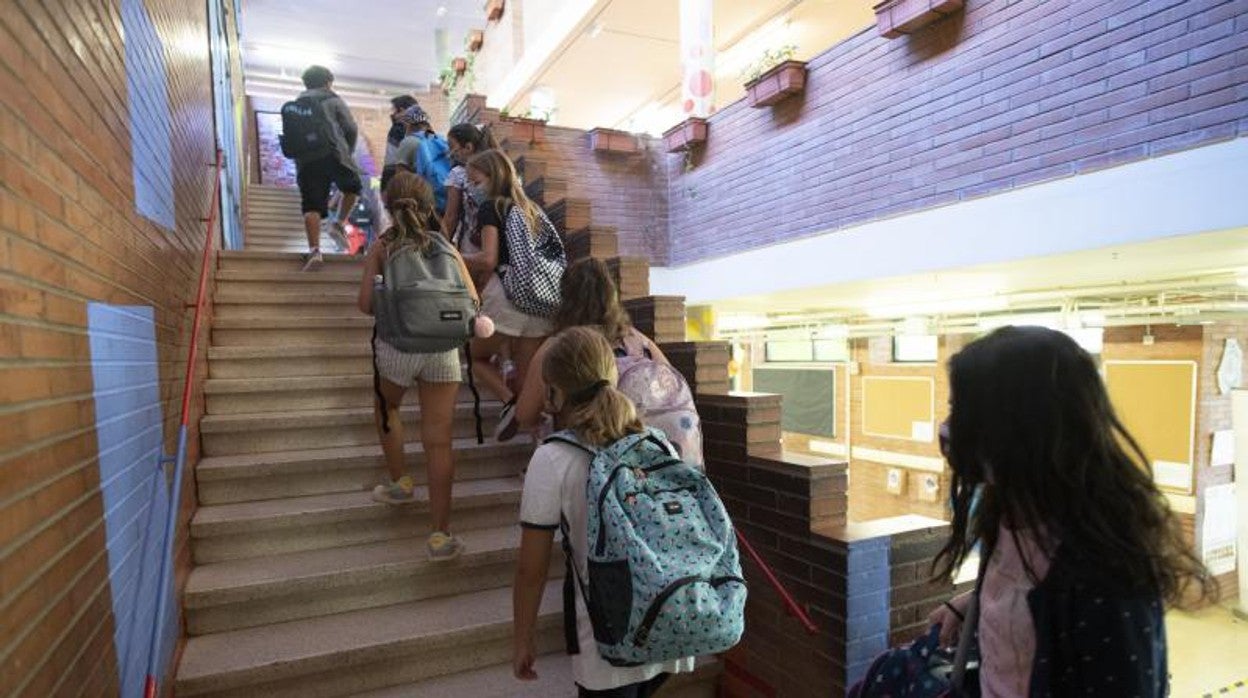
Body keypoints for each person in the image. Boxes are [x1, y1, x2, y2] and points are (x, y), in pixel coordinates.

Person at [925, 326, 1214, 697]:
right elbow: (1025, 591)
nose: (949, 427)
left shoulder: (1103, 572)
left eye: (963, 411)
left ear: (1019, 428)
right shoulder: (1007, 510)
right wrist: (976, 603)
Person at [512, 327, 695, 696]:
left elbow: (531, 570)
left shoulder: (552, 458)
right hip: (667, 617)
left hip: (605, 639)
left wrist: (523, 638)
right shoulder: (658, 443)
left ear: (555, 393)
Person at [358, 171, 479, 562]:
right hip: (443, 349)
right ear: (430, 206)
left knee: (386, 407)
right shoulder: (446, 245)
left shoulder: (384, 246)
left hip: (397, 348)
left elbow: (364, 304)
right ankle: (440, 535)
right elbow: (472, 301)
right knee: (439, 441)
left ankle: (400, 482)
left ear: (390, 208)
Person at [495, 258, 669, 443]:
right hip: (644, 449)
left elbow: (525, 415)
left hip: (585, 457)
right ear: (612, 296)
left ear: (564, 298)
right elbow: (672, 385)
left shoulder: (557, 347)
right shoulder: (640, 342)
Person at [462, 148, 561, 429]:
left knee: (474, 356)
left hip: (508, 299)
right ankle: (535, 452)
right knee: (528, 383)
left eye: (476, 181)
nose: (472, 188)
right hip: (543, 302)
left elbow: (488, 259)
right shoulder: (532, 209)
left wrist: (454, 257)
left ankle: (509, 401)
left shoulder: (490, 207)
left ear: (494, 177)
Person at [292, 65, 361, 271]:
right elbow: (350, 127)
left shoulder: (297, 103)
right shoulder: (332, 99)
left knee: (312, 206)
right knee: (353, 186)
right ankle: (338, 222)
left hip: (306, 161)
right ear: (328, 82)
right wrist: (347, 150)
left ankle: (314, 250)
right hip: (333, 153)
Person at [442, 122, 500, 290]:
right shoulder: (495, 165)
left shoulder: (458, 173)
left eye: (452, 147)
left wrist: (440, 246)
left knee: (472, 292)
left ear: (468, 147)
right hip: (497, 238)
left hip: (473, 241)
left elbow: (451, 216)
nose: (450, 153)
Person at [393, 104, 454, 216]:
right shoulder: (441, 140)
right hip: (448, 204)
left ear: (408, 125)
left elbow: (401, 180)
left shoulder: (408, 142)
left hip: (423, 206)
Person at [381, 94, 418, 194]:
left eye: (394, 111)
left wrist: (385, 186)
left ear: (401, 110)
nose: (393, 115)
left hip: (396, 179)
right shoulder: (422, 130)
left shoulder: (398, 129)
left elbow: (392, 159)